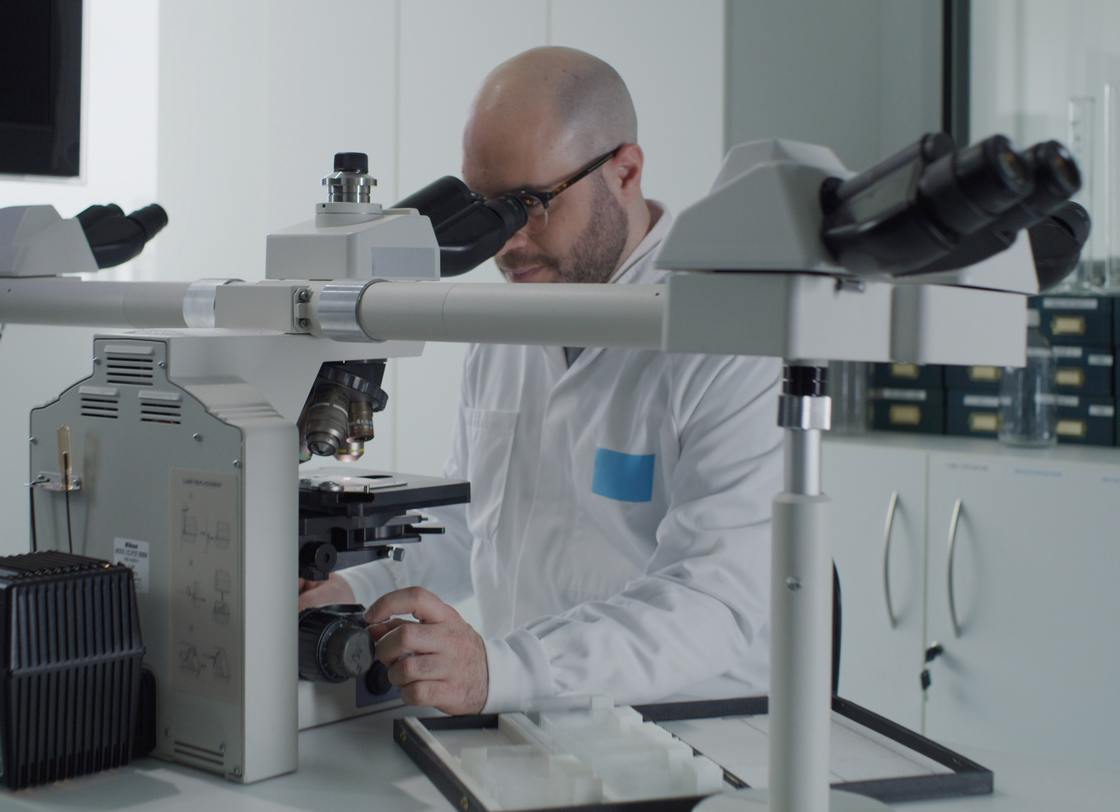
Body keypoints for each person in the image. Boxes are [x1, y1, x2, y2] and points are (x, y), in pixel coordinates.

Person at [299, 46, 783, 715]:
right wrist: (352, 588)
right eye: (485, 209)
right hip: (525, 715)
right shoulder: (510, 319)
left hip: (694, 730)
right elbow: (470, 530)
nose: (505, 243)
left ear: (625, 170)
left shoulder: (729, 339)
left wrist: (504, 668)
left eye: (530, 203)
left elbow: (713, 602)